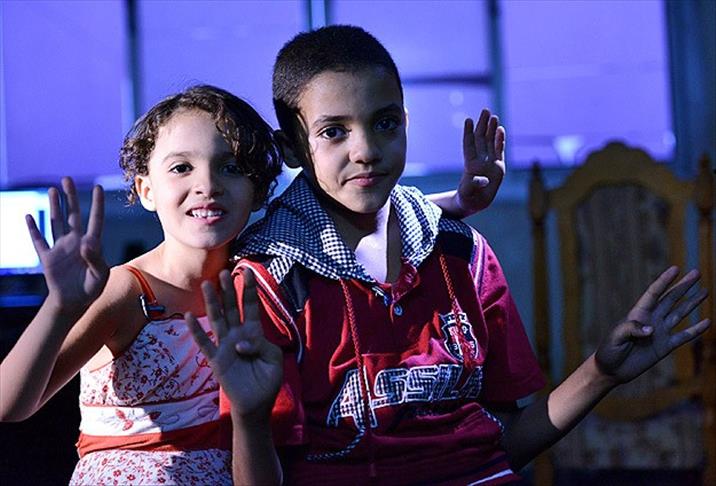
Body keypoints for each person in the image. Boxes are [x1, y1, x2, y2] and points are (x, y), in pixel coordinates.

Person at [195, 25, 711, 485]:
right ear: (290, 147)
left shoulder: (463, 253)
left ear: (406, 121)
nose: (366, 150)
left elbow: (503, 445)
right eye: (334, 132)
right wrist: (249, 419)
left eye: (385, 123)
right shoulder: (269, 282)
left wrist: (602, 372)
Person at [0, 83, 501, 484]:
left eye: (231, 167)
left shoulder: (265, 271)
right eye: (181, 168)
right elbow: (11, 406)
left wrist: (458, 202)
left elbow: (348, 212)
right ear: (145, 189)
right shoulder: (129, 292)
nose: (207, 185)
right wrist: (61, 307)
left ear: (260, 191)